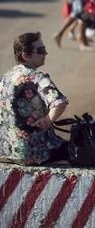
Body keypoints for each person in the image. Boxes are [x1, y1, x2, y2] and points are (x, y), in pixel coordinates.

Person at [0, 32, 69, 165]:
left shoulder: (5, 78)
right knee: (81, 148)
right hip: (35, 152)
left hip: (6, 151)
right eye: (41, 50)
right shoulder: (36, 77)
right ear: (25, 55)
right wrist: (48, 120)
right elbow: (59, 103)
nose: (46, 53)